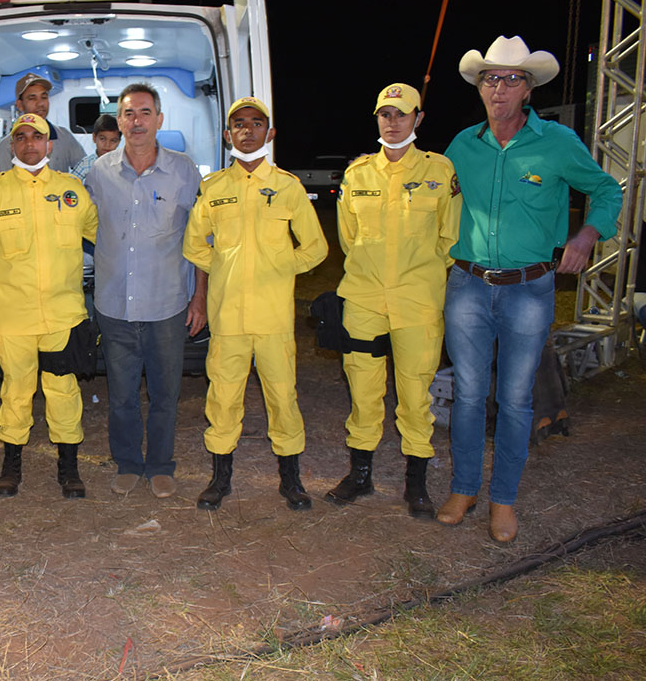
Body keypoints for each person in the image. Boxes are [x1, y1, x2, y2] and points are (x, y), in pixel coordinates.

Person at [440, 36, 622, 541]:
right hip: (468, 285)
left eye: (511, 79)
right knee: (469, 395)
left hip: (529, 288)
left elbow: (606, 189)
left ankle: (503, 500)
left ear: (528, 88)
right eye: (490, 78)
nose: (499, 88)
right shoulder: (462, 145)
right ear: (480, 88)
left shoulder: (558, 143)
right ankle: (464, 488)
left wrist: (587, 235)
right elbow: (433, 198)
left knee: (516, 399)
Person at [184, 97, 328, 510]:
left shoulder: (288, 186)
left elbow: (316, 247)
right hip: (228, 316)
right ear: (227, 135)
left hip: (273, 318)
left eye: (256, 123)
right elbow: (194, 245)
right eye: (239, 124)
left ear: (270, 132)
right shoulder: (214, 188)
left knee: (282, 398)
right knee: (223, 398)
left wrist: (283, 266)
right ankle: (220, 478)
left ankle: (291, 480)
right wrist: (223, 266)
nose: (247, 130)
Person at [325, 83, 461, 519]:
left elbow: (450, 239)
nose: (393, 121)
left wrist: (418, 276)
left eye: (402, 114)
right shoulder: (358, 173)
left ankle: (415, 483)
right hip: (364, 299)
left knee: (415, 392)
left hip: (417, 302)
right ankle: (360, 475)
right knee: (363, 390)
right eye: (385, 114)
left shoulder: (440, 170)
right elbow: (348, 238)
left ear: (418, 118)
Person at [0, 113, 98, 498]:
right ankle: (11, 466)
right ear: (12, 145)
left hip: (62, 314)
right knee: (16, 391)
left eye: (36, 137)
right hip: (13, 316)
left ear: (49, 144)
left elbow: (96, 233)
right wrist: (9, 276)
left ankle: (69, 468)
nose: (29, 144)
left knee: (63, 391)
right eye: (21, 137)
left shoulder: (72, 191)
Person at [85, 82, 206, 499]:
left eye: (144, 113)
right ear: (119, 121)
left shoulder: (184, 171)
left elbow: (199, 238)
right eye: (128, 114)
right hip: (114, 306)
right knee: (121, 395)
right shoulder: (99, 173)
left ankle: (159, 465)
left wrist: (200, 297)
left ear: (159, 119)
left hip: (167, 305)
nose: (136, 121)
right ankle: (128, 464)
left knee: (165, 395)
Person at [0, 73, 85, 175]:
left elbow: (85, 169)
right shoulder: (6, 145)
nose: (40, 104)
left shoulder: (64, 136)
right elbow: (0, 181)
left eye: (44, 97)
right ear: (20, 105)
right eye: (32, 98)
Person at [71, 114, 121, 181]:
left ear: (118, 142)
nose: (107, 145)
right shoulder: (85, 165)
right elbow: (71, 185)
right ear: (94, 138)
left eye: (113, 141)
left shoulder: (122, 165)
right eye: (102, 139)